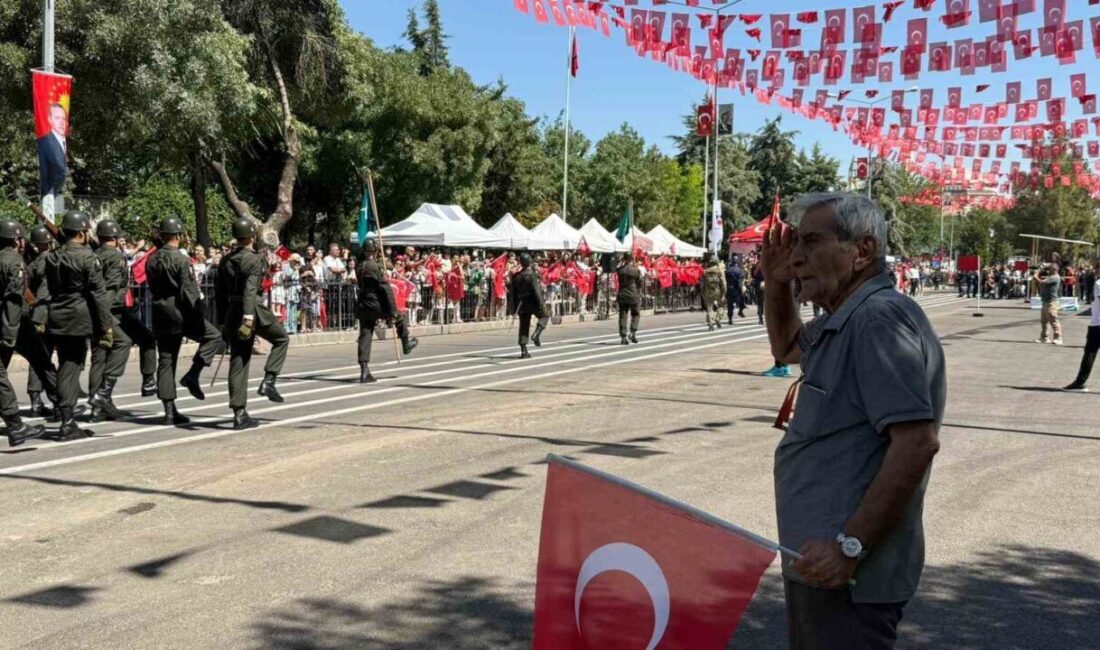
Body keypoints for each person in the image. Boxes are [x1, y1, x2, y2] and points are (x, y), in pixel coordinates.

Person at [762, 193, 944, 650]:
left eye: (812, 241)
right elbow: (786, 346)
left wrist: (851, 546)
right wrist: (775, 282)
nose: (797, 254)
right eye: (796, 242)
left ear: (861, 251)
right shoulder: (844, 317)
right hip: (821, 564)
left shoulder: (877, 320)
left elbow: (917, 443)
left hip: (847, 573)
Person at [146, 217, 223, 425]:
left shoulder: (151, 259)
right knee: (214, 336)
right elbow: (189, 291)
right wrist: (198, 316)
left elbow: (151, 286)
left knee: (166, 359)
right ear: (178, 235)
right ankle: (193, 374)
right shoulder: (180, 260)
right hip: (181, 312)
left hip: (160, 311)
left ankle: (169, 411)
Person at [45, 211, 114, 441]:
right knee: (71, 367)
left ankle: (67, 416)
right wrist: (105, 325)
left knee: (66, 364)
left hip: (57, 313)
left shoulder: (53, 256)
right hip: (78, 316)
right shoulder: (87, 256)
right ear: (83, 232)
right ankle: (67, 421)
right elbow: (98, 293)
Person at [216, 219, 289, 430]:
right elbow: (250, 290)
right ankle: (269, 381)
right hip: (252, 310)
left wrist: (223, 321)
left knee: (239, 360)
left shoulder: (226, 260)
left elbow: (220, 294)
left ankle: (239, 413)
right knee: (281, 338)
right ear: (251, 236)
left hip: (232, 311)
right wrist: (249, 317)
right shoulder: (253, 260)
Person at [87, 220, 157, 422]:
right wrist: (105, 321)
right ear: (115, 238)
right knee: (126, 342)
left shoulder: (94, 255)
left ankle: (98, 406)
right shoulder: (114, 257)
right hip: (112, 310)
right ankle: (104, 395)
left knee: (100, 356)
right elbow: (108, 291)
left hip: (99, 310)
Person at [0, 220, 48, 447]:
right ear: (15, 240)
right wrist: (9, 334)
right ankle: (16, 426)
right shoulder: (13, 261)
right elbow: (12, 300)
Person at [354, 240, 418, 382]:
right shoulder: (374, 266)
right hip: (375, 302)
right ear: (375, 250)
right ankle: (406, 342)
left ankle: (364, 370)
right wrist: (393, 309)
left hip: (363, 303)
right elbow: (386, 288)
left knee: (365, 333)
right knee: (399, 317)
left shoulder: (359, 266)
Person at [23, 224, 60, 418]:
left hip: (38, 313)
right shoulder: (51, 258)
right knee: (49, 360)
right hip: (51, 312)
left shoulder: (32, 263)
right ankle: (58, 401)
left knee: (38, 358)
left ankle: (35, 401)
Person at [1064, 261, 1100, 392]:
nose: (1095, 271)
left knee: (1089, 353)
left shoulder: (1098, 283)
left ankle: (1080, 382)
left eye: (1097, 268)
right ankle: (1079, 381)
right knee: (1089, 353)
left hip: (1097, 325)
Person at [507, 253, 547, 359]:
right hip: (532, 302)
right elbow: (536, 292)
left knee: (524, 326)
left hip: (521, 303)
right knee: (545, 316)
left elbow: (512, 293)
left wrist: (513, 308)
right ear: (529, 262)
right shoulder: (532, 275)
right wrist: (541, 304)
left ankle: (524, 351)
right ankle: (536, 334)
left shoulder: (516, 276)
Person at [37, 103, 68, 211]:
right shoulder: (45, 142)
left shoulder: (63, 141)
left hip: (56, 194)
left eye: (63, 118)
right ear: (50, 120)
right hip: (48, 193)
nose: (61, 122)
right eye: (57, 118)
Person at [1033, 266, 1064, 345]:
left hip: (1051, 302)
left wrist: (1036, 275)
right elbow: (1042, 284)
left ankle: (1058, 338)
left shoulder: (1055, 277)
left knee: (1053, 320)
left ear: (1054, 270)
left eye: (1050, 269)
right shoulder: (1050, 277)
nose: (1048, 270)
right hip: (1045, 301)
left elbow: (1042, 282)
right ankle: (1044, 337)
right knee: (1044, 321)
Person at [616, 253, 642, 345]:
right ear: (631, 260)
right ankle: (632, 332)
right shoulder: (635, 270)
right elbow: (639, 283)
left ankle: (623, 336)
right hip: (633, 294)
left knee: (623, 315)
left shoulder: (620, 270)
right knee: (635, 313)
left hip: (622, 294)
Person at [701, 252, 726, 331]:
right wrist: (724, 293)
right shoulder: (719, 271)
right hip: (718, 291)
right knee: (721, 305)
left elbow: (702, 284)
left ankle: (710, 324)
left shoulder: (705, 271)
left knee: (709, 307)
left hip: (708, 292)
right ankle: (718, 318)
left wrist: (703, 293)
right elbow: (723, 283)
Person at [726, 255, 746, 323]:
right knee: (742, 300)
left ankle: (730, 318)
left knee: (730, 305)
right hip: (737, 289)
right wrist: (741, 290)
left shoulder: (728, 270)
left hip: (729, 289)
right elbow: (740, 282)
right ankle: (740, 311)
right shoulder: (739, 271)